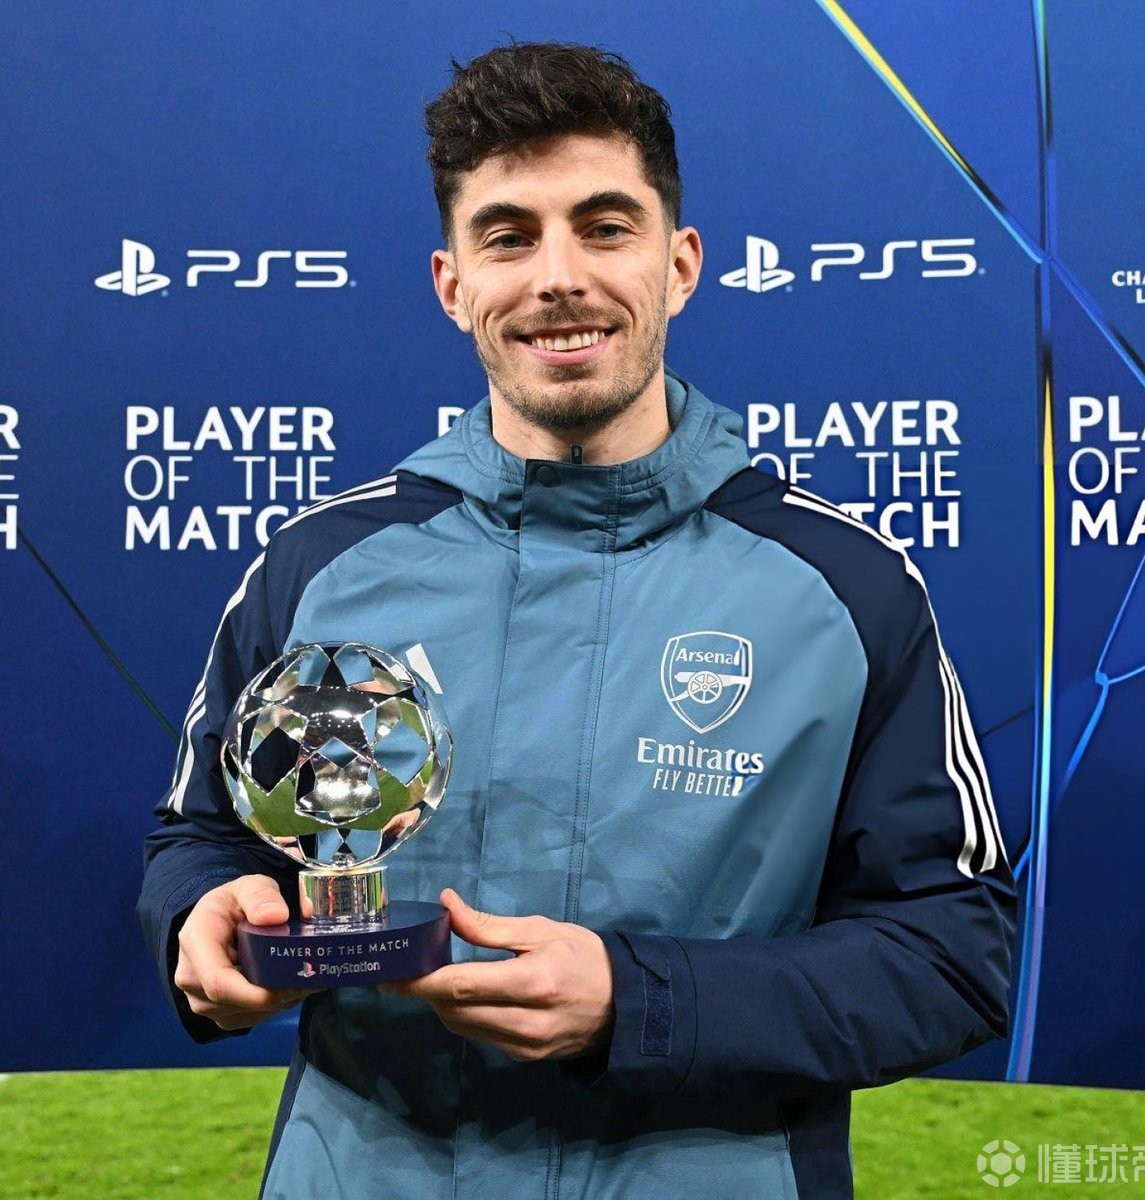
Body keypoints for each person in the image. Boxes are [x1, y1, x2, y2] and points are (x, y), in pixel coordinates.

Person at [139, 41, 1015, 1200]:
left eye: (605, 227)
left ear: (680, 264)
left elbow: (951, 953)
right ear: (452, 283)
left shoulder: (845, 586)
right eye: (509, 237)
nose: (558, 277)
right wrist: (205, 917)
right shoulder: (319, 566)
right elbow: (201, 838)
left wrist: (637, 1002)